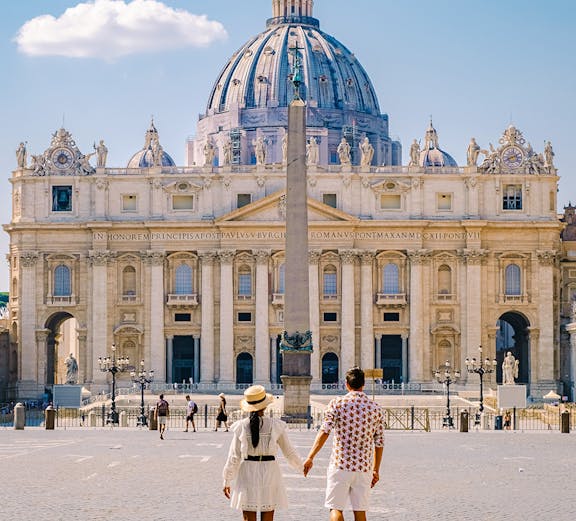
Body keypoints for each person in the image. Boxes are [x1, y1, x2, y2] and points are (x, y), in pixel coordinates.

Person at [304, 367, 384, 521]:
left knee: (336, 509)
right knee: (360, 512)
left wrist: (310, 456)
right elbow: (379, 442)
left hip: (340, 465)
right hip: (363, 467)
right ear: (363, 384)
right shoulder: (375, 408)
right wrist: (376, 469)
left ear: (346, 384)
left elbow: (324, 431)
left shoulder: (337, 403)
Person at [222, 385, 303, 521]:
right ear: (265, 406)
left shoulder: (241, 426)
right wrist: (302, 467)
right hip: (270, 471)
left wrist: (227, 480)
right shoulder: (276, 425)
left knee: (248, 518)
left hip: (248, 471)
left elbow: (234, 457)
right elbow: (289, 452)